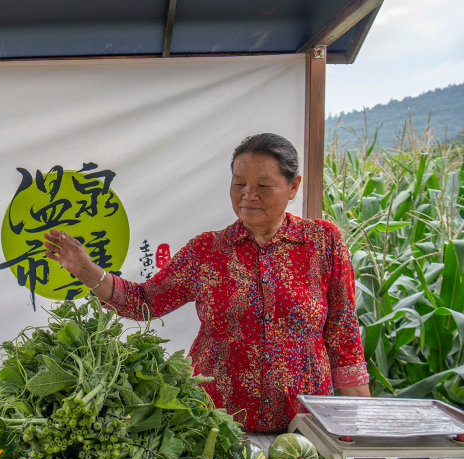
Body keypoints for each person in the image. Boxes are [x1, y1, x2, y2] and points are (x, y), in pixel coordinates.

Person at [43, 133, 370, 432]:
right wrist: (88, 272)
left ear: (293, 186)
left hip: (304, 428)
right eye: (238, 183)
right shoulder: (206, 251)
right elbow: (145, 301)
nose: (248, 195)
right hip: (216, 426)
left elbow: (344, 338)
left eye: (263, 185)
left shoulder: (323, 242)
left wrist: (357, 429)